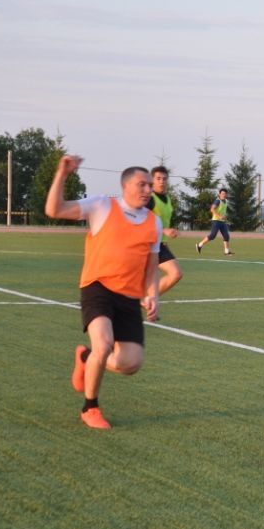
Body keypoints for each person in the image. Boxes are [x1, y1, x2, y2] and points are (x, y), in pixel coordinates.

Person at [45, 155, 161, 430]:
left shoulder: (153, 223)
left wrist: (152, 294)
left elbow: (152, 266)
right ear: (125, 187)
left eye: (149, 185)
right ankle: (90, 407)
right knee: (104, 344)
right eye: (141, 184)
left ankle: (85, 358)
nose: (148, 190)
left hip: (129, 298)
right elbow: (54, 210)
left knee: (130, 363)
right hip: (98, 288)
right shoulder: (101, 206)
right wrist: (62, 174)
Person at [146, 166, 183, 295]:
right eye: (158, 178)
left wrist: (167, 233)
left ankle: (147, 300)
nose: (162, 181)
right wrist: (163, 231)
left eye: (165, 179)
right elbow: (140, 223)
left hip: (160, 245)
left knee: (176, 274)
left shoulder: (167, 199)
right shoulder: (148, 199)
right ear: (152, 180)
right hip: (145, 246)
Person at [195, 188, 234, 256]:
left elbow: (223, 211)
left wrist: (224, 216)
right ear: (219, 194)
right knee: (212, 236)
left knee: (226, 236)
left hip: (222, 221)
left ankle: (226, 251)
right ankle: (199, 245)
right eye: (222, 194)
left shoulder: (226, 201)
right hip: (216, 221)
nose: (224, 195)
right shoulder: (217, 201)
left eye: (225, 194)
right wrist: (219, 216)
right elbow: (212, 209)